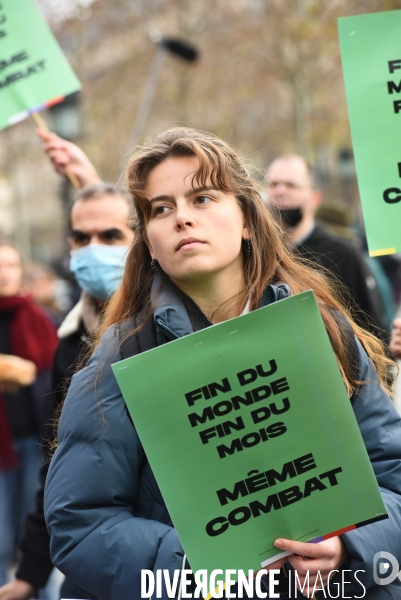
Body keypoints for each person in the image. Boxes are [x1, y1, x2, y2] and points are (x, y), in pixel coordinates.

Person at [44, 128, 401, 599]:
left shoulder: (324, 332)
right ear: (149, 242)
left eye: (203, 198)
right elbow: (80, 526)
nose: (182, 219)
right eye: (161, 208)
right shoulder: (120, 360)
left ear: (248, 219)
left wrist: (350, 544)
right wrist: (200, 569)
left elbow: (391, 479)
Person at [0, 137, 134, 600]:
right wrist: (30, 574)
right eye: (81, 237)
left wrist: (91, 180)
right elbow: (59, 463)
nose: (93, 248)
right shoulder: (69, 342)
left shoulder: (166, 321)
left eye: (112, 236)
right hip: (91, 569)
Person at [265, 155, 389, 338]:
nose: (280, 192)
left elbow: (374, 331)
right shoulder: (259, 255)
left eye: (292, 185)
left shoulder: (343, 254)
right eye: (273, 184)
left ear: (314, 198)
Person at [0, 245, 58, 593]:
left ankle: (43, 592)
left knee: (37, 532)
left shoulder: (40, 319)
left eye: (11, 265)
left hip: (36, 443)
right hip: (1, 450)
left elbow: (58, 379)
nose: (5, 272)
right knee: (1, 538)